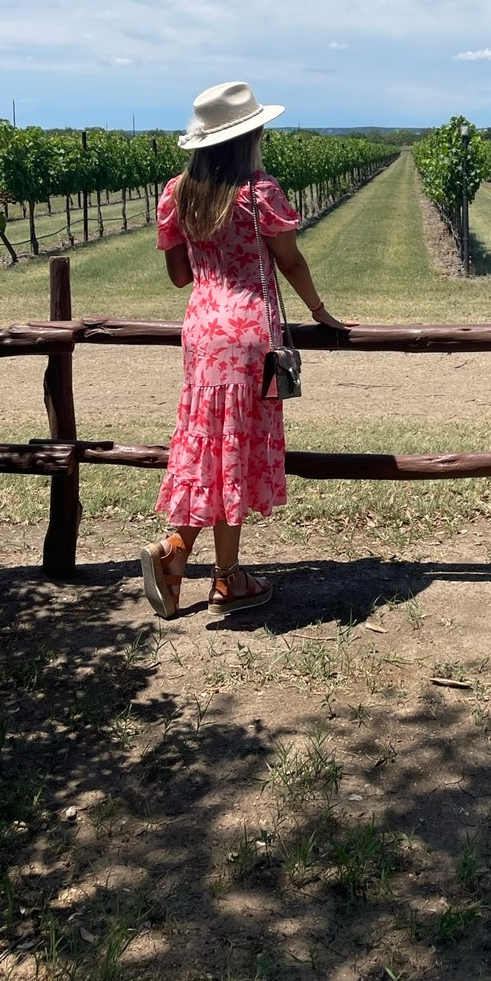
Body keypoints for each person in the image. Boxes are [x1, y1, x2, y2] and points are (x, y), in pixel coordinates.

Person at [141, 81, 348, 619]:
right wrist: (322, 312)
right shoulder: (259, 193)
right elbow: (291, 262)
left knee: (206, 442)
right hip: (251, 333)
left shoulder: (176, 193)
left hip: (202, 334)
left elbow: (179, 275)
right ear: (248, 135)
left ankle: (176, 551)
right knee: (234, 449)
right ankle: (226, 579)